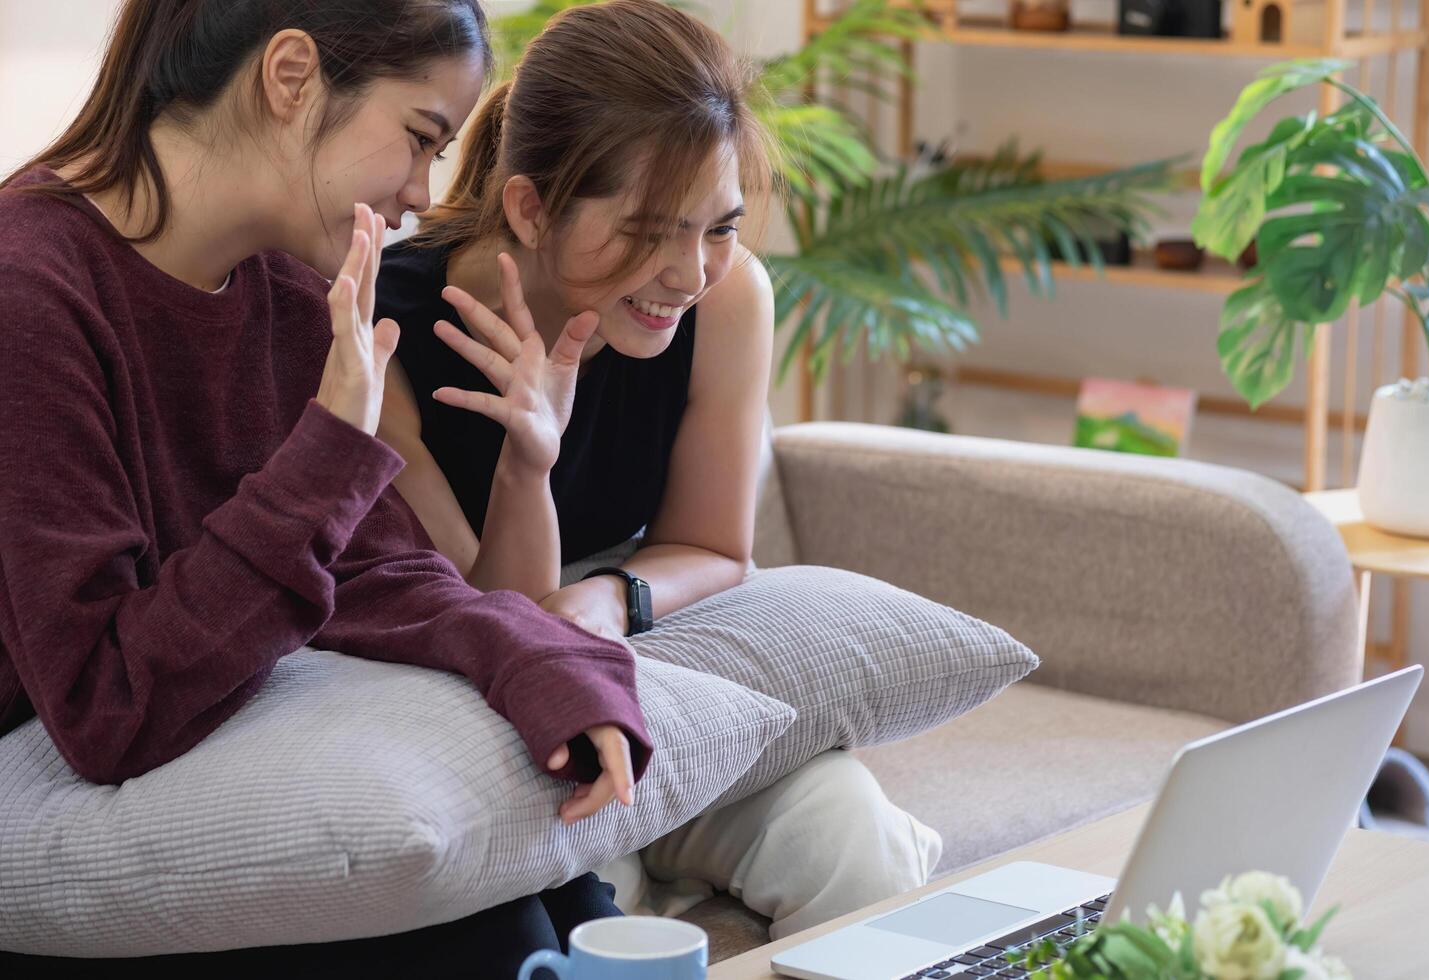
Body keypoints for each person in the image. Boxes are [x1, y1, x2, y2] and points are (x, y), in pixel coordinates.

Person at [0, 2, 643, 975]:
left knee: (569, 894)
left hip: (196, 716)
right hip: (64, 794)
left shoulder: (287, 285)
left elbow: (382, 568)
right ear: (291, 75)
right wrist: (329, 447)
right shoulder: (29, 291)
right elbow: (105, 702)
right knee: (494, 938)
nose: (425, 193)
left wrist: (548, 666)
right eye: (422, 138)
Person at [375, 0, 943, 942]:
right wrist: (529, 463)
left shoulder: (726, 298)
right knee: (597, 896)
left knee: (857, 842)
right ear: (531, 206)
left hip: (644, 648)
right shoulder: (390, 337)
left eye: (717, 227)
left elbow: (717, 549)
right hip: (504, 683)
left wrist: (610, 599)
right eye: (651, 230)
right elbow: (505, 621)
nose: (689, 272)